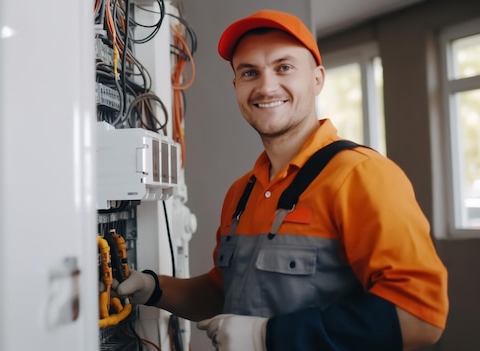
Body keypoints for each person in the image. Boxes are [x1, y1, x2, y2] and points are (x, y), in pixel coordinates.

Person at [116, 9, 449, 351]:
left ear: (317, 79)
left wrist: (267, 336)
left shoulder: (361, 175)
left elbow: (419, 318)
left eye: (284, 67)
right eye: (249, 73)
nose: (266, 86)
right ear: (236, 87)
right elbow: (225, 292)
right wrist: (154, 288)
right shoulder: (241, 193)